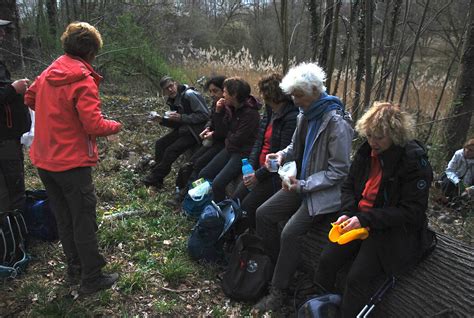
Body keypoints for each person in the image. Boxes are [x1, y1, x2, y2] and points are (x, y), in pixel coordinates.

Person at [24, 22, 122, 294]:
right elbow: (93, 125)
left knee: (64, 218)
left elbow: (30, 98)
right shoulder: (83, 79)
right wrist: (115, 126)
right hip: (72, 164)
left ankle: (74, 267)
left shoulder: (48, 72)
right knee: (83, 220)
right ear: (90, 50)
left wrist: (53, 112)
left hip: (45, 161)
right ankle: (91, 277)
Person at [314, 102, 434, 317]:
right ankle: (320, 307)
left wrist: (367, 219)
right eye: (369, 136)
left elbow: (412, 211)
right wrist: (349, 212)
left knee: (357, 278)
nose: (372, 142)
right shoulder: (366, 152)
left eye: (379, 137)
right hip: (359, 219)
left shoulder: (413, 162)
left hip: (388, 230)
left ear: (395, 134)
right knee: (327, 259)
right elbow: (349, 185)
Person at [254, 62, 353, 312]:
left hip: (323, 193)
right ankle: (283, 268)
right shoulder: (305, 115)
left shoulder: (336, 122)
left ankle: (279, 292)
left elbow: (339, 171)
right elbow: (295, 149)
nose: (295, 101)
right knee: (263, 214)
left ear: (315, 91)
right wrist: (280, 155)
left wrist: (304, 185)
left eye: (299, 95)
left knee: (290, 232)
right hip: (299, 185)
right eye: (293, 95)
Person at [232, 73, 298, 229]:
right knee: (236, 198)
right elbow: (259, 140)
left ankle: (246, 242)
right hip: (258, 169)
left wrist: (258, 176)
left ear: (274, 96)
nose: (263, 99)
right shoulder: (270, 110)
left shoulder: (292, 117)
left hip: (274, 176)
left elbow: (283, 155)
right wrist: (252, 167)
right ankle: (233, 236)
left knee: (247, 207)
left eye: (265, 95)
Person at [198, 77, 261, 203]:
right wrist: (218, 112)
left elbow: (238, 139)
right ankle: (203, 205)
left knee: (218, 183)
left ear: (234, 95)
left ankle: (220, 212)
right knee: (204, 174)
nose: (223, 94)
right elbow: (222, 131)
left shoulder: (251, 114)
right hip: (230, 149)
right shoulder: (231, 108)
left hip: (242, 153)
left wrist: (228, 136)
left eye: (225, 92)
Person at [142, 76, 209, 189]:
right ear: (163, 91)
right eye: (166, 88)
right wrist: (161, 120)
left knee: (171, 150)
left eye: (171, 86)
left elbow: (205, 115)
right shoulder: (173, 100)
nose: (170, 90)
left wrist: (182, 117)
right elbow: (177, 123)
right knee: (160, 144)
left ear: (176, 84)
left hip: (196, 132)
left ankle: (153, 178)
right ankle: (158, 180)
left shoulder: (190, 95)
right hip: (184, 129)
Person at [172, 75, 230, 204]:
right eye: (210, 91)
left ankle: (185, 195)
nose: (212, 94)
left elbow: (225, 131)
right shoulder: (216, 103)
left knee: (199, 165)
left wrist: (213, 133)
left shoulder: (229, 106)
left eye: (215, 91)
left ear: (224, 91)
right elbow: (210, 118)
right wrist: (208, 128)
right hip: (212, 140)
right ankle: (182, 191)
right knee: (191, 162)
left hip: (222, 144)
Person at [0, 19, 31, 213]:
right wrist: (13, 88)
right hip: (4, 140)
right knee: (14, 193)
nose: (3, 35)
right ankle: (16, 241)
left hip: (8, 138)